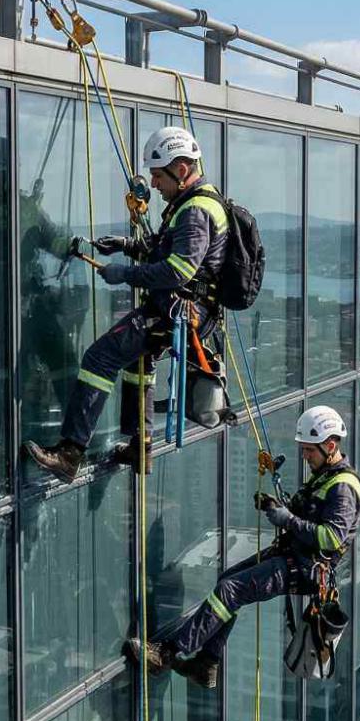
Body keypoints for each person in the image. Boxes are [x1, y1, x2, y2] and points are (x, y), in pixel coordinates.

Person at [21, 126, 225, 480]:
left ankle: (70, 453)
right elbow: (165, 249)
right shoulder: (195, 202)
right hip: (181, 309)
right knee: (138, 362)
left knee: (100, 357)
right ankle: (140, 445)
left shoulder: (195, 211)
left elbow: (177, 270)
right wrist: (126, 246)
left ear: (181, 170)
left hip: (179, 312)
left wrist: (124, 274)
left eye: (158, 176)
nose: (154, 184)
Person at [125, 406, 360, 688]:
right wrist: (278, 507)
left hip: (305, 567)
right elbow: (312, 516)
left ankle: (165, 655)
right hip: (295, 557)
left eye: (310, 450)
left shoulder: (342, 487)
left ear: (330, 446)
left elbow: (332, 538)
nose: (305, 456)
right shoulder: (326, 475)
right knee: (228, 581)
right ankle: (207, 663)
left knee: (231, 590)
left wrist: (287, 520)